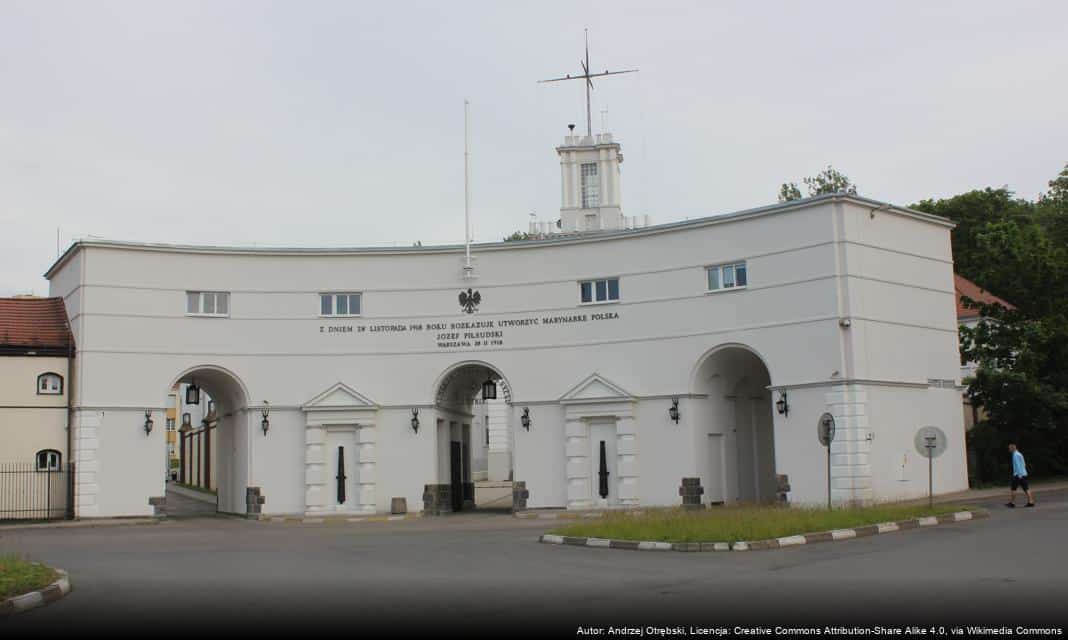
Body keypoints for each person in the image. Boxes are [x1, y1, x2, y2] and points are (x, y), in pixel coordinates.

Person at [1006, 442, 1035, 508]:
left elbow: (1018, 466)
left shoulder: (1015, 455)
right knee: (1026, 488)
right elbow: (1024, 464)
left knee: (1013, 489)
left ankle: (1012, 503)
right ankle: (1031, 502)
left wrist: (1019, 475)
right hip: (1023, 474)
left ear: (1013, 448)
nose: (1009, 449)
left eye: (1009, 448)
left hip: (1018, 475)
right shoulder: (1019, 454)